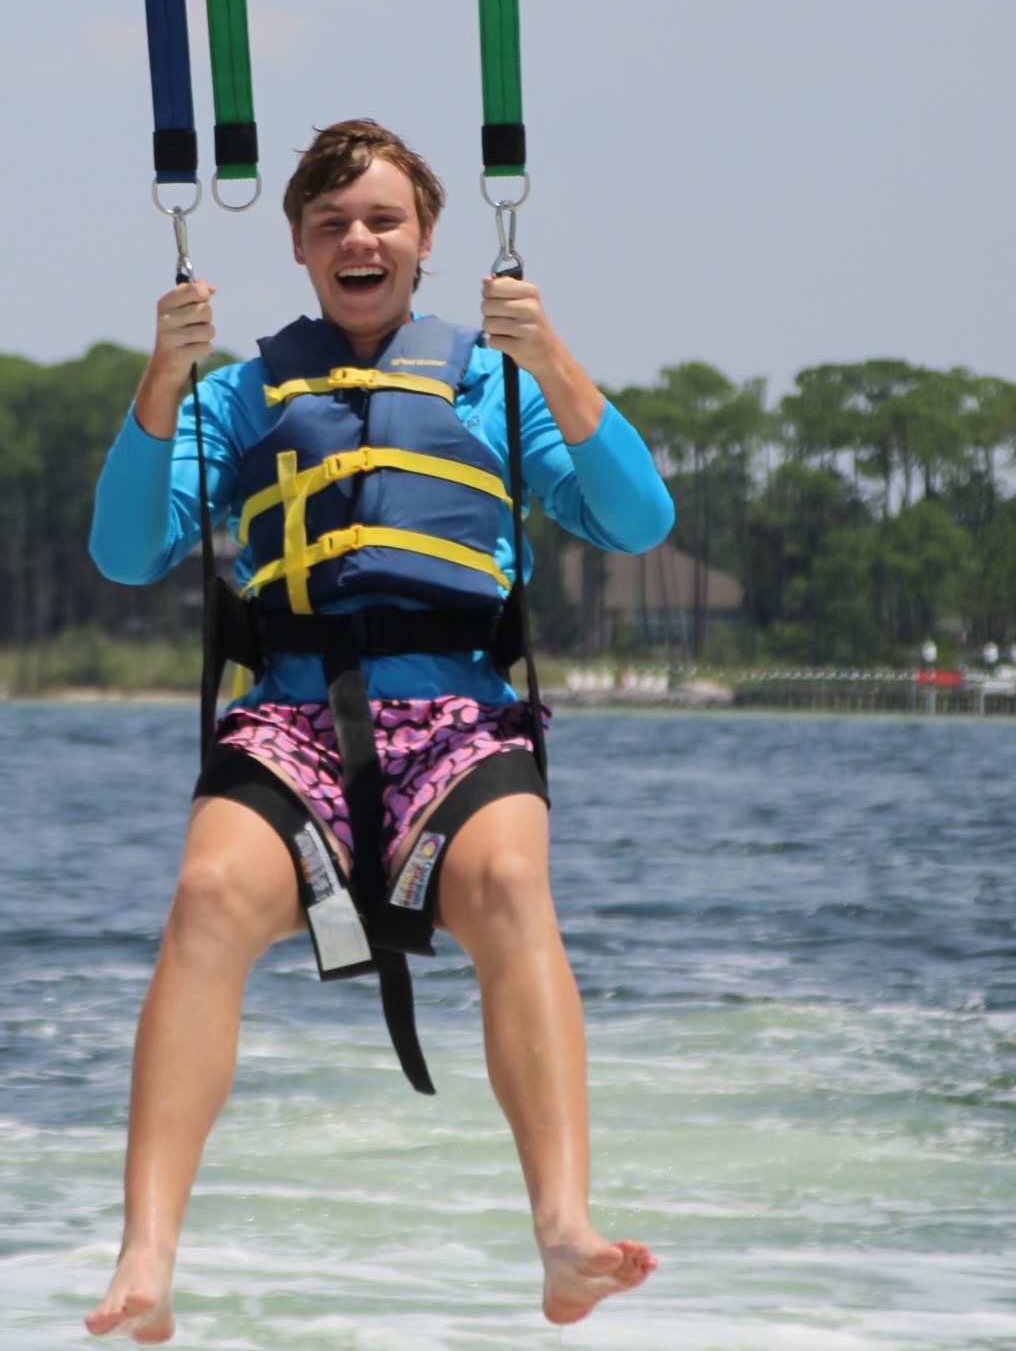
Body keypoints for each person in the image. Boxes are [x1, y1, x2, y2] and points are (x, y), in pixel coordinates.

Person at [82, 120, 674, 1338]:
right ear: (299, 245)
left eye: (384, 218)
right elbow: (125, 549)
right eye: (332, 222)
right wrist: (158, 377)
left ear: (428, 238)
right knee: (203, 898)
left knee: (513, 879)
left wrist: (550, 349)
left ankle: (564, 1229)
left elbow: (636, 518)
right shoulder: (238, 395)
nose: (360, 239)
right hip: (290, 712)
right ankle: (145, 1256)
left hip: (457, 708)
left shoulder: (496, 384)